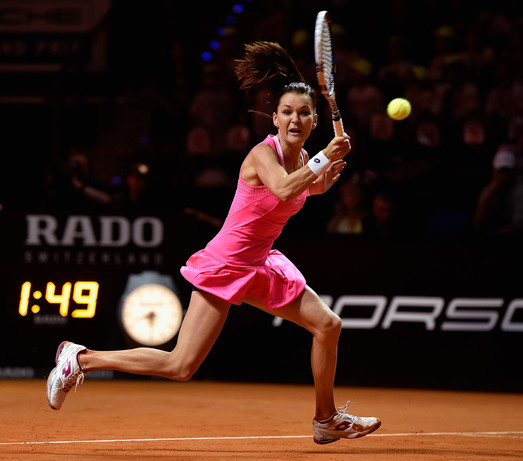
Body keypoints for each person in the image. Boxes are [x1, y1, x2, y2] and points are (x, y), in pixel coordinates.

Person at [46, 41, 381, 445]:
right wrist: (322, 161)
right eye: (287, 112)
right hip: (226, 265)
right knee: (180, 365)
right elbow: (282, 188)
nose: (295, 119)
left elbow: (304, 190)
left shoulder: (304, 157)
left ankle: (325, 419)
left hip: (262, 264)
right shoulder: (263, 155)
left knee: (328, 324)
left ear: (313, 119)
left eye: (304, 113)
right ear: (274, 118)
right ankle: (81, 359)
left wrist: (325, 178)